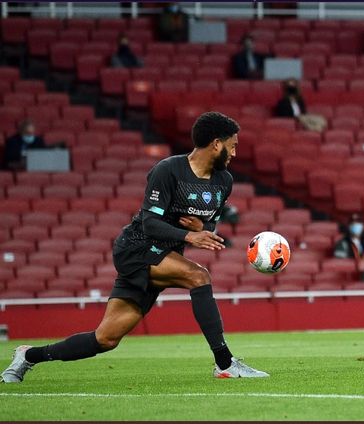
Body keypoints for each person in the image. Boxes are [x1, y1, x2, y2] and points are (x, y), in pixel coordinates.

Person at [1, 112, 269, 383]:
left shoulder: (224, 182)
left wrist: (200, 229)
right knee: (199, 276)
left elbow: (208, 227)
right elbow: (150, 222)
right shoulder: (169, 170)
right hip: (136, 248)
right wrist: (189, 236)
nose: (235, 152)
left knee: (105, 339)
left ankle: (28, 355)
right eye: (232, 145)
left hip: (164, 257)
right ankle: (225, 363)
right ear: (215, 144)